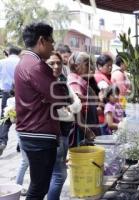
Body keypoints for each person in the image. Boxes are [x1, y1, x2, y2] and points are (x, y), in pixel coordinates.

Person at [14, 22, 65, 199]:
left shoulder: (25, 62)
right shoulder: (36, 65)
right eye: (51, 41)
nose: (53, 46)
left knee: (39, 185)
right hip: (39, 132)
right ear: (42, 40)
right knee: (38, 188)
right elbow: (58, 96)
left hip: (32, 131)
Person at [46, 51, 81, 200]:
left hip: (64, 133)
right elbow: (56, 112)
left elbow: (78, 103)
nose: (56, 66)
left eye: (59, 63)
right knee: (59, 175)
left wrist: (69, 110)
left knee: (55, 174)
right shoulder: (45, 83)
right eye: (51, 63)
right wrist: (69, 111)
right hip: (55, 135)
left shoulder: (62, 81)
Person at [68, 51, 100, 146]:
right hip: (81, 134)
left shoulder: (84, 82)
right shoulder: (75, 83)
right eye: (87, 64)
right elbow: (75, 109)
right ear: (76, 66)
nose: (91, 68)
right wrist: (87, 131)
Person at [0, 45, 21, 156]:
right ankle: (20, 144)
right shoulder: (21, 62)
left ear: (9, 52)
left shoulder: (2, 62)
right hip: (21, 93)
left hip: (6, 93)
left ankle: (2, 141)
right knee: (22, 117)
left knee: (5, 117)